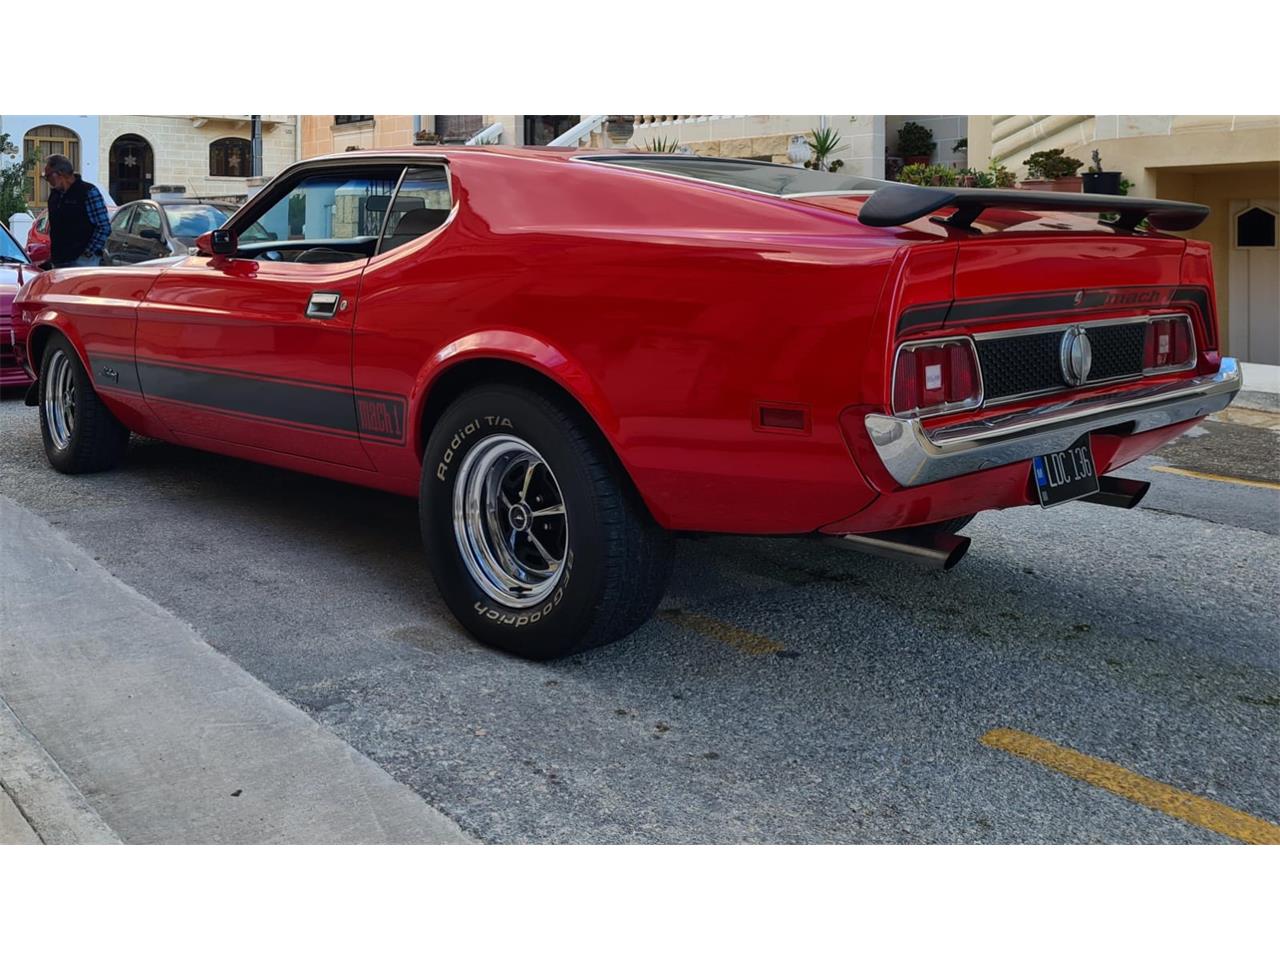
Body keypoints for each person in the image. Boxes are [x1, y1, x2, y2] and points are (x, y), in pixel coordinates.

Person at [42, 154, 110, 269]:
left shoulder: (88, 192)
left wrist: (87, 254)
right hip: (60, 261)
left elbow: (104, 226)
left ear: (59, 174)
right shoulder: (55, 196)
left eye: (48, 176)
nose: (47, 180)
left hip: (83, 262)